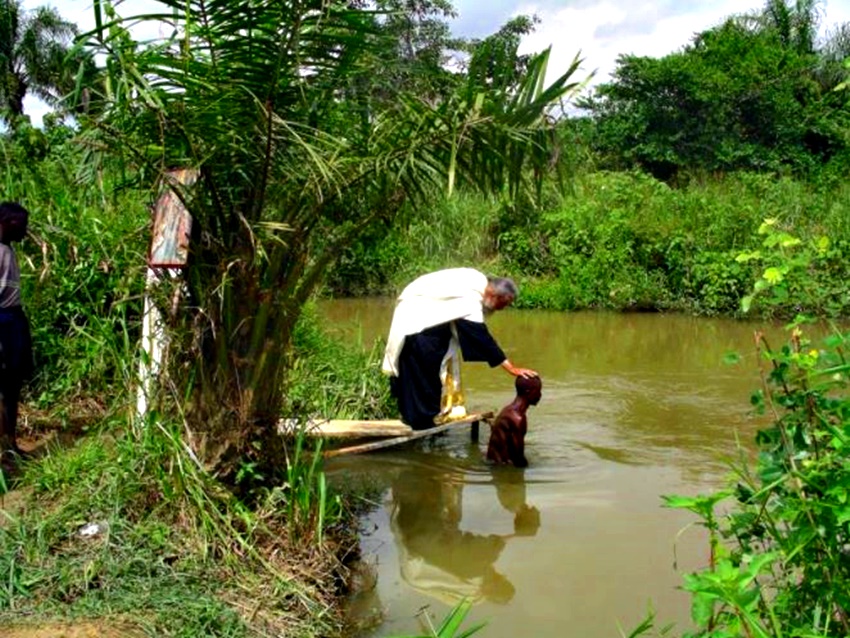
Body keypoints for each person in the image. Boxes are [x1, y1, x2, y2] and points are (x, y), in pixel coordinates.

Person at [382, 268, 537, 430]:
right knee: (425, 372)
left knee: (420, 369)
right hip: (417, 318)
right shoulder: (470, 299)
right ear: (495, 296)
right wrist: (510, 367)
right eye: (503, 304)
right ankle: (422, 422)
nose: (500, 310)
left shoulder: (476, 278)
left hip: (419, 314)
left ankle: (414, 416)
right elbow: (481, 338)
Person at [0, 202, 33, 459]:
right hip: (3, 320)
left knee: (12, 383)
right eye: (21, 225)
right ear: (7, 223)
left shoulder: (8, 250)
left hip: (13, 318)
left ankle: (9, 445)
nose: (25, 230)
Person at [487, 375, 542, 468]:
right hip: (502, 470)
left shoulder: (508, 410)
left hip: (494, 464)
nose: (540, 395)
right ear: (528, 392)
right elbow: (518, 458)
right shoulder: (517, 419)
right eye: (538, 391)